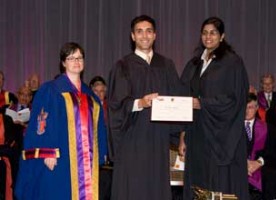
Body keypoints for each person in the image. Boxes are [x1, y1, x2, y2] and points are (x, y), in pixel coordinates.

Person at [15, 42, 107, 200]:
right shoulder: (51, 90)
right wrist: (48, 152)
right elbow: (42, 121)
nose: (76, 61)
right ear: (63, 63)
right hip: (59, 156)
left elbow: (98, 126)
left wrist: (101, 152)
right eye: (71, 58)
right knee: (59, 192)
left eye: (79, 58)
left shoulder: (90, 95)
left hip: (85, 160)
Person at [108, 15, 182, 200]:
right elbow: (116, 104)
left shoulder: (166, 65)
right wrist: (140, 103)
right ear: (132, 36)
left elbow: (177, 100)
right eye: (139, 31)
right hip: (133, 139)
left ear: (155, 35)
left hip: (158, 141)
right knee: (133, 189)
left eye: (149, 31)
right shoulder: (123, 66)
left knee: (156, 189)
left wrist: (182, 133)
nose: (144, 36)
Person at [179, 16, 249, 199]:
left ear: (222, 36)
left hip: (222, 137)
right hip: (197, 135)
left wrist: (203, 103)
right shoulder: (195, 64)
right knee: (198, 184)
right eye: (204, 33)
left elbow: (234, 99)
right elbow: (183, 95)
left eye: (213, 33)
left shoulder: (232, 62)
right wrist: (183, 134)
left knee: (220, 186)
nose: (208, 37)